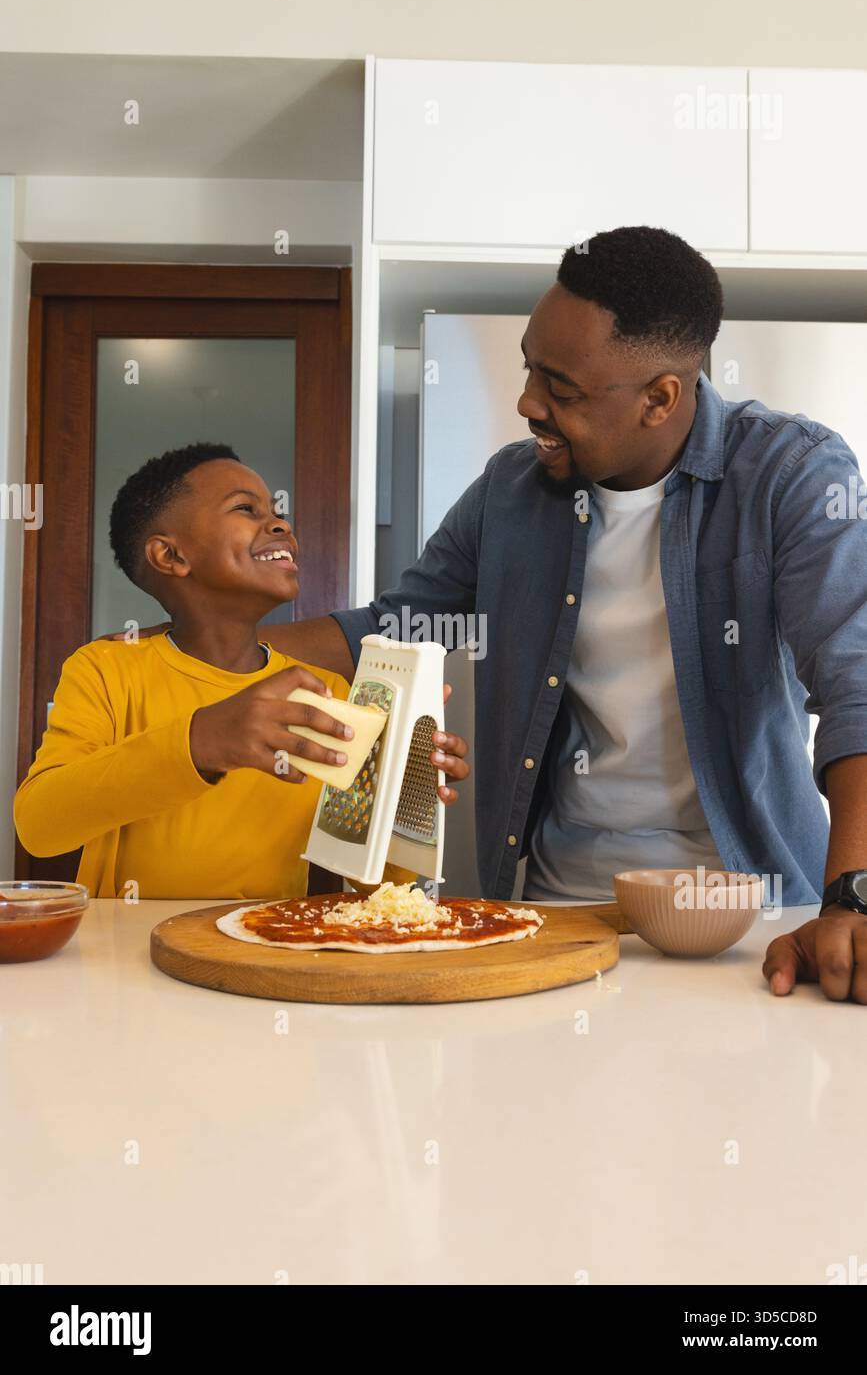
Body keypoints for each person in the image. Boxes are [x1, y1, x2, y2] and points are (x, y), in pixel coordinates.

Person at [248, 225, 867, 1004]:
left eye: (562, 390)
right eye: (529, 369)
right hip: (556, 913)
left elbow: (855, 685)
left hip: (753, 922)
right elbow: (395, 625)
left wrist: (852, 895)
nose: (527, 403)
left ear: (659, 398)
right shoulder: (510, 490)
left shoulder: (789, 473)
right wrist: (189, 658)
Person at [14, 445, 469, 899]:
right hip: (125, 959)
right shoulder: (106, 670)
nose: (280, 524)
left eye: (275, 510)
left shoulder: (326, 692)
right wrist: (201, 742)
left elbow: (379, 880)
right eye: (245, 508)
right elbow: (39, 825)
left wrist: (409, 785)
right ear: (170, 556)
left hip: (267, 954)